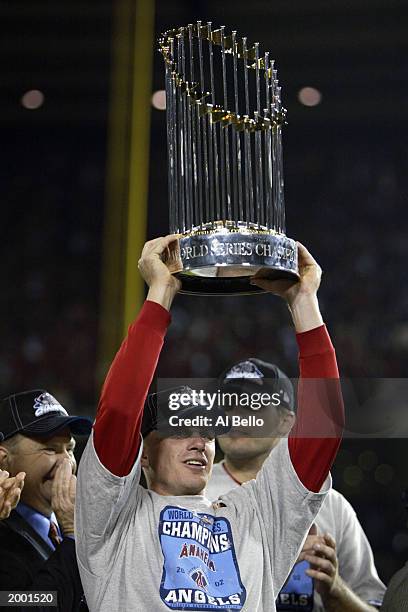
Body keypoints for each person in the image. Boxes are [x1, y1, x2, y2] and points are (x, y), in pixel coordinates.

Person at [75, 235, 344, 612]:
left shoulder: (255, 517)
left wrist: (304, 303)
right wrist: (160, 294)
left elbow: (322, 432)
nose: (200, 441)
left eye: (206, 431)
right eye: (180, 430)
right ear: (144, 455)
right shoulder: (113, 520)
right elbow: (118, 414)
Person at [206, 359, 386, 611]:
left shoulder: (331, 507)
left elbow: (374, 606)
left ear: (286, 421)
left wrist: (335, 589)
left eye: (252, 405)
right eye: (227, 406)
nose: (235, 416)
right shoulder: (189, 494)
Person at [0, 389, 92, 611]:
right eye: (49, 449)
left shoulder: (76, 528)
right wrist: (72, 539)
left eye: (69, 449)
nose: (67, 462)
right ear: (4, 460)